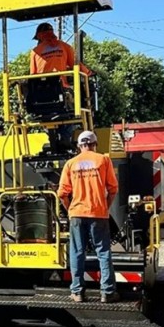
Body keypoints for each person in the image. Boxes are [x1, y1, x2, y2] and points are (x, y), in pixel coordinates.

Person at [57, 130, 119, 303]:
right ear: (95, 144)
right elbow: (113, 188)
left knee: (77, 252)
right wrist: (104, 207)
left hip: (77, 213)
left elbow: (62, 193)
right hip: (98, 213)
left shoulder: (70, 163)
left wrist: (70, 210)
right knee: (103, 252)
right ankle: (107, 292)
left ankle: (77, 292)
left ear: (79, 146)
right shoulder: (103, 160)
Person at [29, 22, 92, 149]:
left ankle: (52, 137)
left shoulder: (35, 52)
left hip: (40, 95)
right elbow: (77, 65)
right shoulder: (64, 47)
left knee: (43, 114)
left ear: (39, 36)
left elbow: (32, 76)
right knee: (76, 109)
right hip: (61, 90)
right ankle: (65, 137)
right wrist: (88, 73)